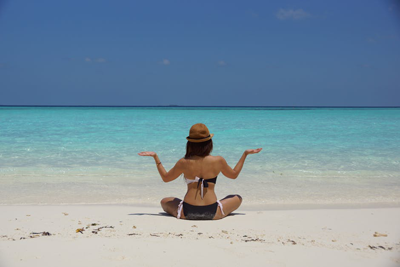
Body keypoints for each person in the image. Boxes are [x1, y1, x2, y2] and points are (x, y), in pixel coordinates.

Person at [138, 123, 262, 220]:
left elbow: (166, 178)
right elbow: (234, 175)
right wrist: (245, 154)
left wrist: (156, 157)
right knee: (237, 198)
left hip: (187, 212)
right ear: (209, 143)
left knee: (165, 201)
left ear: (189, 144)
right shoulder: (218, 160)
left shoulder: (184, 162)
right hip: (213, 213)